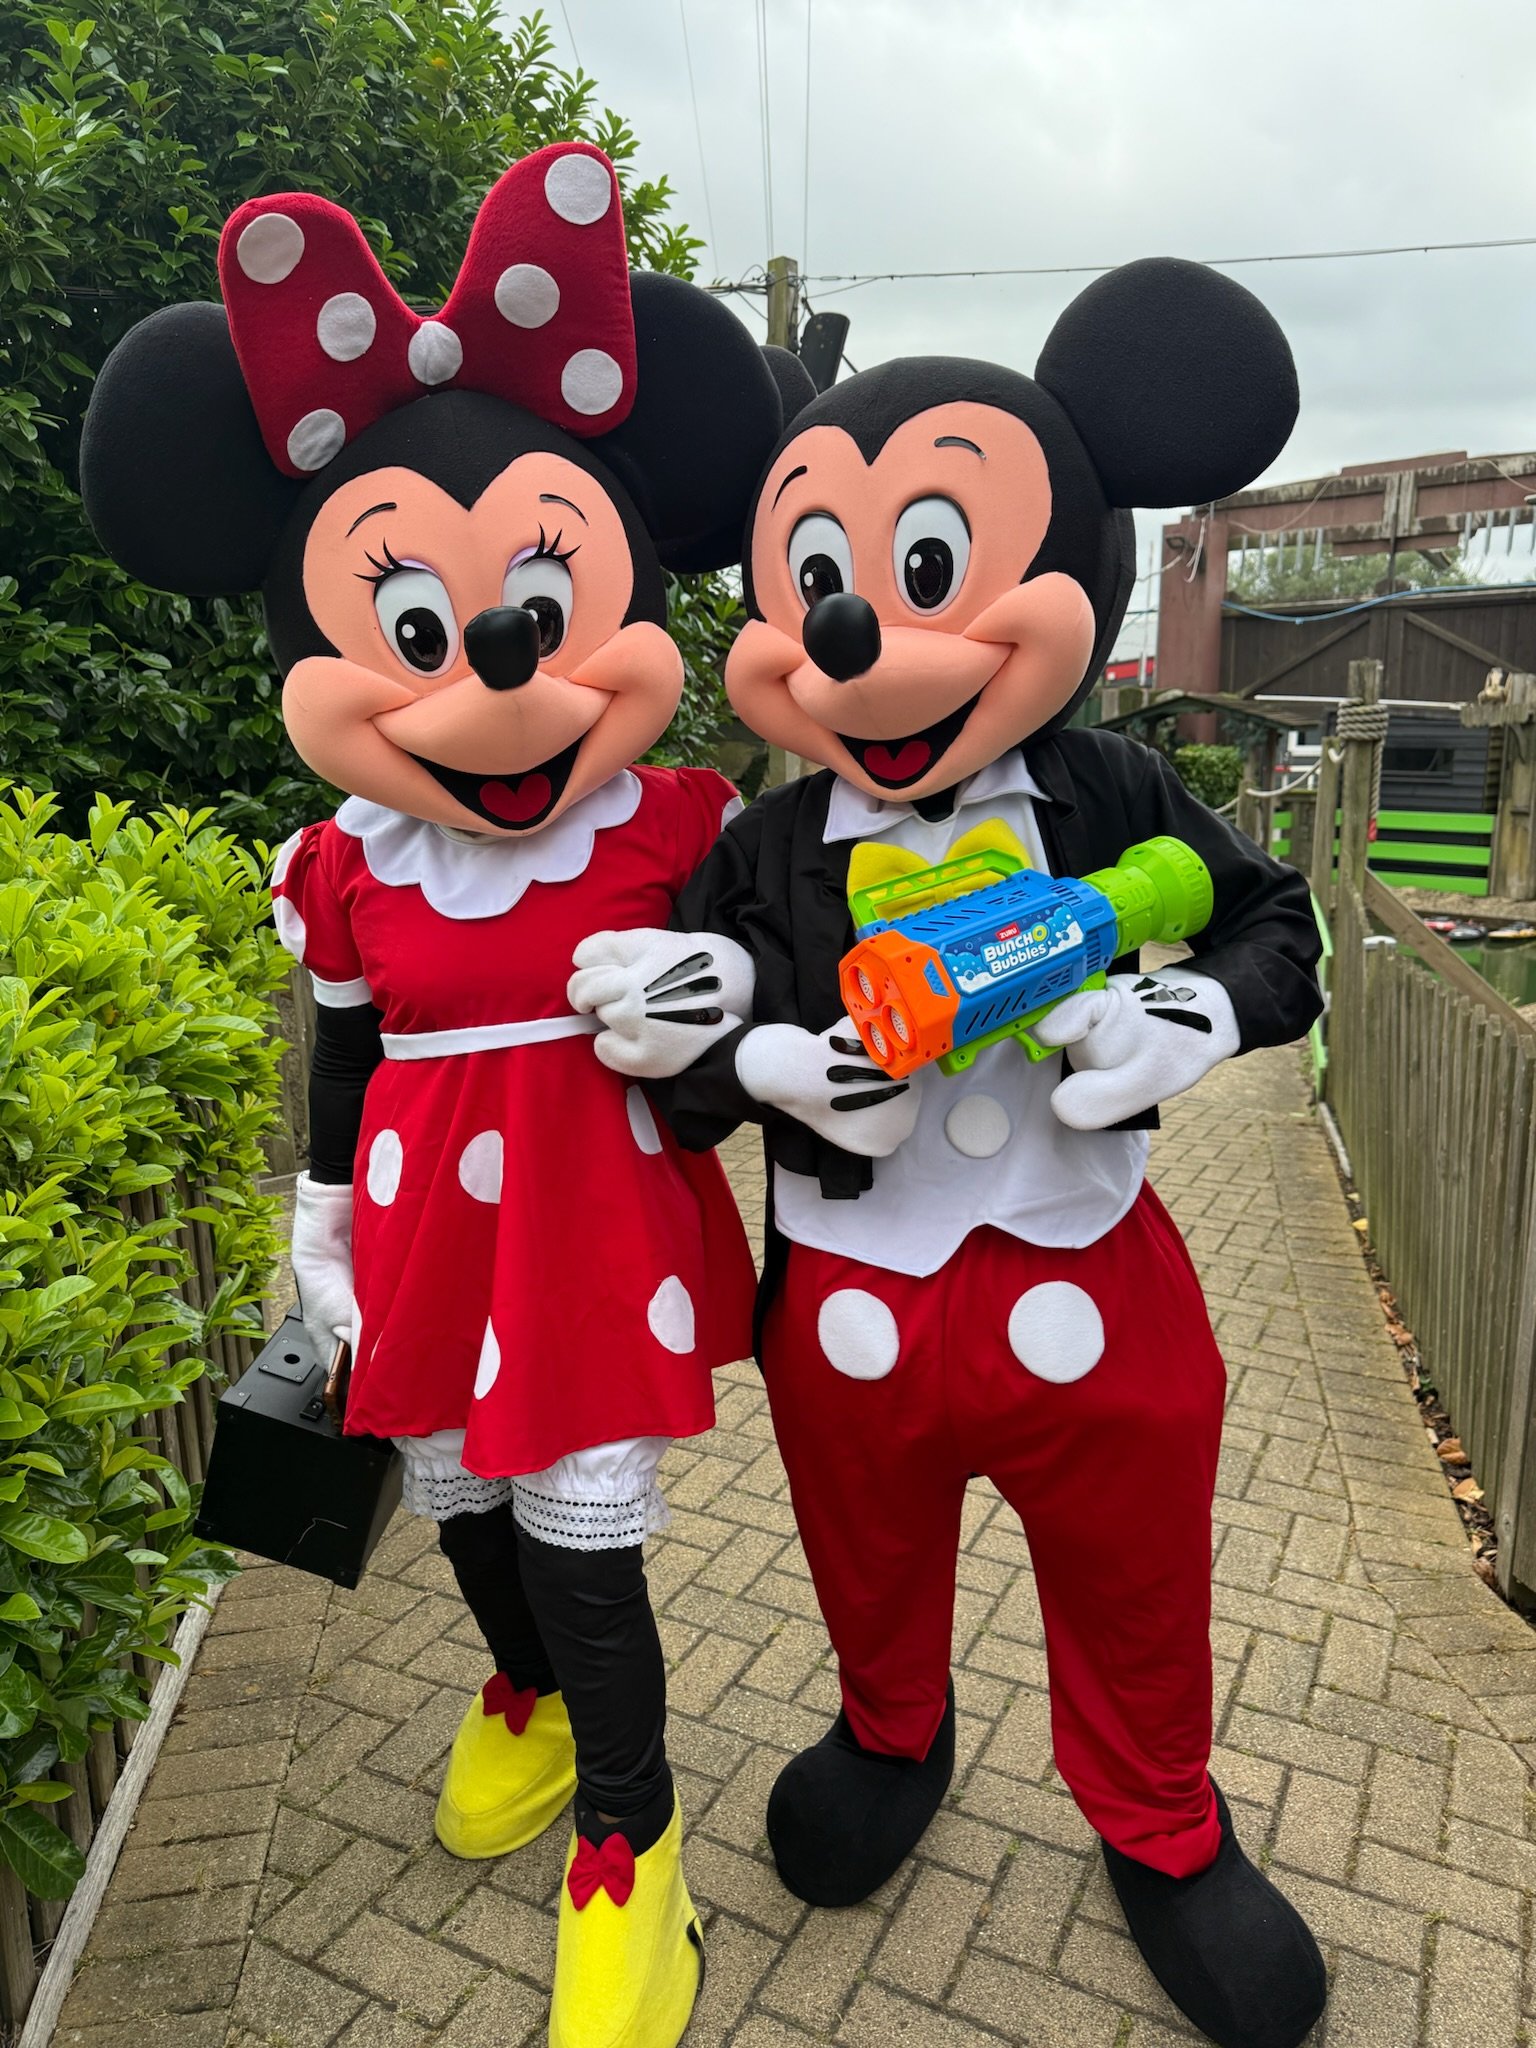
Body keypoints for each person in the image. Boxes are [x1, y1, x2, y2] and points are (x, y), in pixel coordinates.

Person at [80, 140, 807, 2048]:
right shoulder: (348, 865)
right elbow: (345, 1046)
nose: (492, 665)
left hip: (591, 1225)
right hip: (419, 1221)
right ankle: (530, 1702)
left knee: (585, 1529)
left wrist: (720, 999)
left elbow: (769, 974)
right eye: (416, 628)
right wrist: (318, 1217)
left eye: (541, 608)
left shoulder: (669, 822)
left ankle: (634, 1851)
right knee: (463, 1500)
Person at [573, 261, 1329, 2048]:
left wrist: (1186, 1018)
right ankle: (892, 1732)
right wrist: (765, 1057)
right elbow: (679, 1063)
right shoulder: (763, 850)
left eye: (929, 567)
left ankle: (1158, 1818)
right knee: (865, 1552)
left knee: (1136, 1569)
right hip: (848, 1302)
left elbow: (1275, 923)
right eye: (815, 582)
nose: (856, 638)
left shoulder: (1111, 792)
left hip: (1092, 1279)